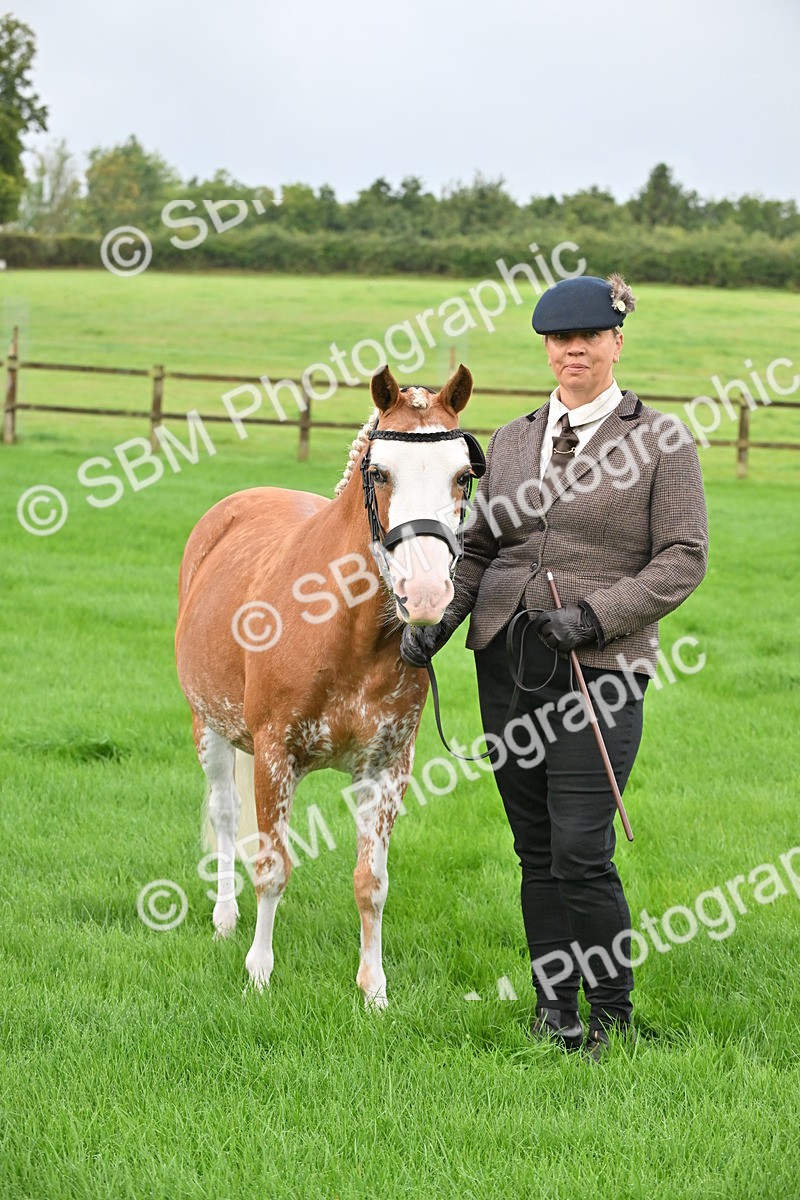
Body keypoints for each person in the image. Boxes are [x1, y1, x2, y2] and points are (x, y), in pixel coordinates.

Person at [401, 274, 708, 1059]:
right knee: (534, 848)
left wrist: (598, 617)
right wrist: (440, 621)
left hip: (598, 667)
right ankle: (554, 1010)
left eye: (589, 337)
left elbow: (682, 559)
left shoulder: (661, 441)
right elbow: (480, 547)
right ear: (546, 347)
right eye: (559, 339)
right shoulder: (507, 441)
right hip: (507, 663)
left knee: (581, 847)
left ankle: (612, 1012)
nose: (574, 350)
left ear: (616, 342)